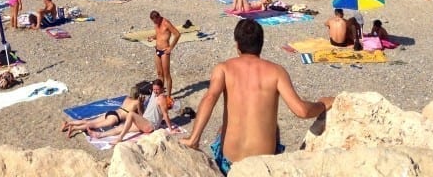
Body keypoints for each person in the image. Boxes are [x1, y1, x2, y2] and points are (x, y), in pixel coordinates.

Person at [181, 20, 334, 174]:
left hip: (229, 162)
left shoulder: (224, 68)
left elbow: (210, 98)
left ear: (237, 45)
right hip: (262, 165)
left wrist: (194, 138)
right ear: (261, 44)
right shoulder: (276, 72)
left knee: (222, 129)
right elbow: (301, 111)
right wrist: (322, 104)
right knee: (275, 128)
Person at [93, 78, 176, 142]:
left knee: (131, 114)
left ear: (161, 89)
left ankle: (120, 138)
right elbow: (147, 88)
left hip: (150, 125)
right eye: (154, 89)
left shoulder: (161, 99)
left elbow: (165, 114)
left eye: (157, 89)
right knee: (122, 127)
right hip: (144, 121)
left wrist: (171, 129)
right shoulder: (154, 94)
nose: (155, 91)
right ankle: (100, 135)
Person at [62, 85, 144, 138]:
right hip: (115, 118)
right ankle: (74, 128)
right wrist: (141, 103)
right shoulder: (137, 103)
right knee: (92, 125)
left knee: (89, 121)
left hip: (112, 112)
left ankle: (70, 123)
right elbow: (141, 115)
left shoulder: (127, 98)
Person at [149, 10, 180, 99]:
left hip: (165, 51)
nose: (155, 23)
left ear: (158, 17)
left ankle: (169, 96)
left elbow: (177, 34)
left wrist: (171, 47)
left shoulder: (166, 23)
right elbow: (159, 34)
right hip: (157, 50)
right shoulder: (156, 23)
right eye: (153, 21)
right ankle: (160, 93)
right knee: (159, 73)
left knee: (167, 74)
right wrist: (153, 37)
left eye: (156, 21)